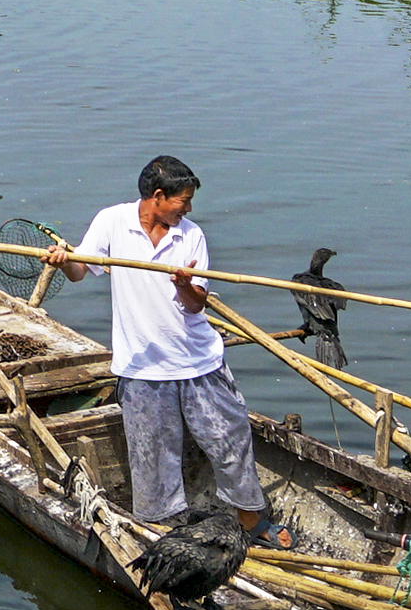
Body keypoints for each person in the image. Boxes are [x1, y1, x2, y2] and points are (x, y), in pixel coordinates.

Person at [46, 154, 267, 537]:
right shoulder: (112, 222)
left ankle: (250, 523)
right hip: (142, 369)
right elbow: (81, 271)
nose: (189, 209)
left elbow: (196, 304)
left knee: (230, 442)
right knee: (152, 460)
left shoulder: (191, 235)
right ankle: (162, 533)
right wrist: (65, 260)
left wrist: (183, 284)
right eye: (183, 201)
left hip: (200, 363)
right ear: (158, 196)